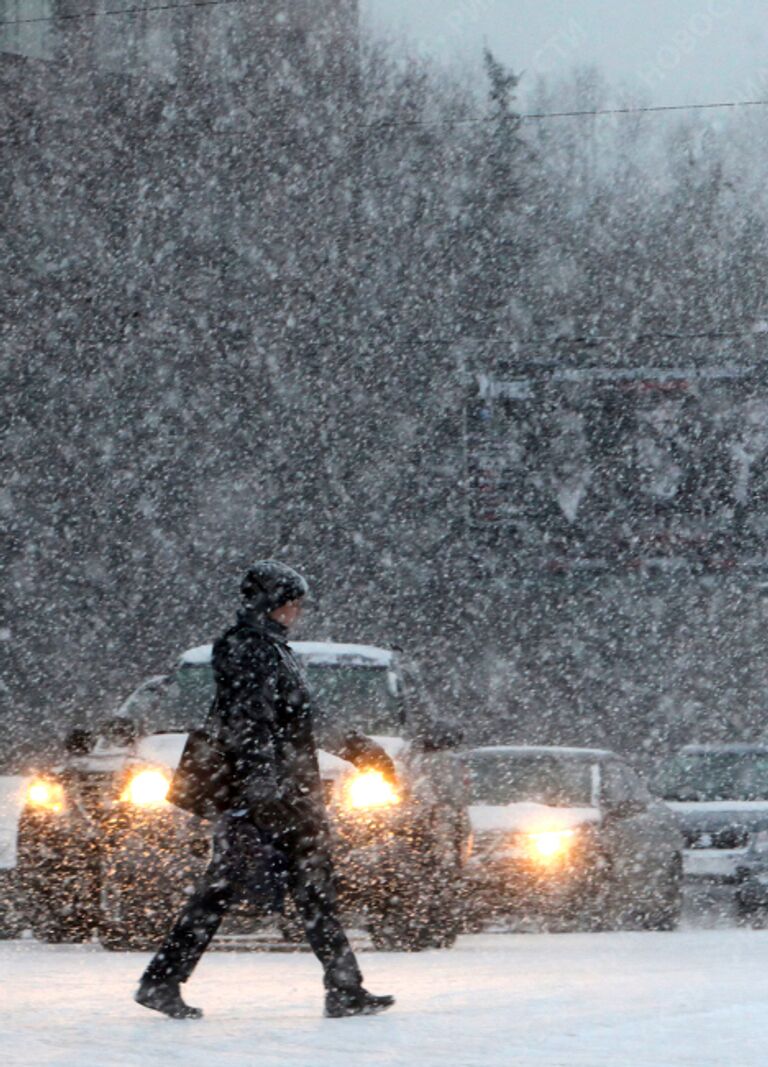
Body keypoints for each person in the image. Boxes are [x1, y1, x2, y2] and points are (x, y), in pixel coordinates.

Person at [135, 560, 396, 1020]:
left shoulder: (276, 650)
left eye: (298, 603)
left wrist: (358, 748)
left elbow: (301, 716)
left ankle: (344, 987)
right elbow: (249, 725)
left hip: (285, 790)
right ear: (267, 603)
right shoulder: (245, 649)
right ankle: (162, 980)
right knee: (232, 887)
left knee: (306, 887)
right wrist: (260, 790)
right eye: (290, 602)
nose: (296, 611)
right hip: (263, 795)